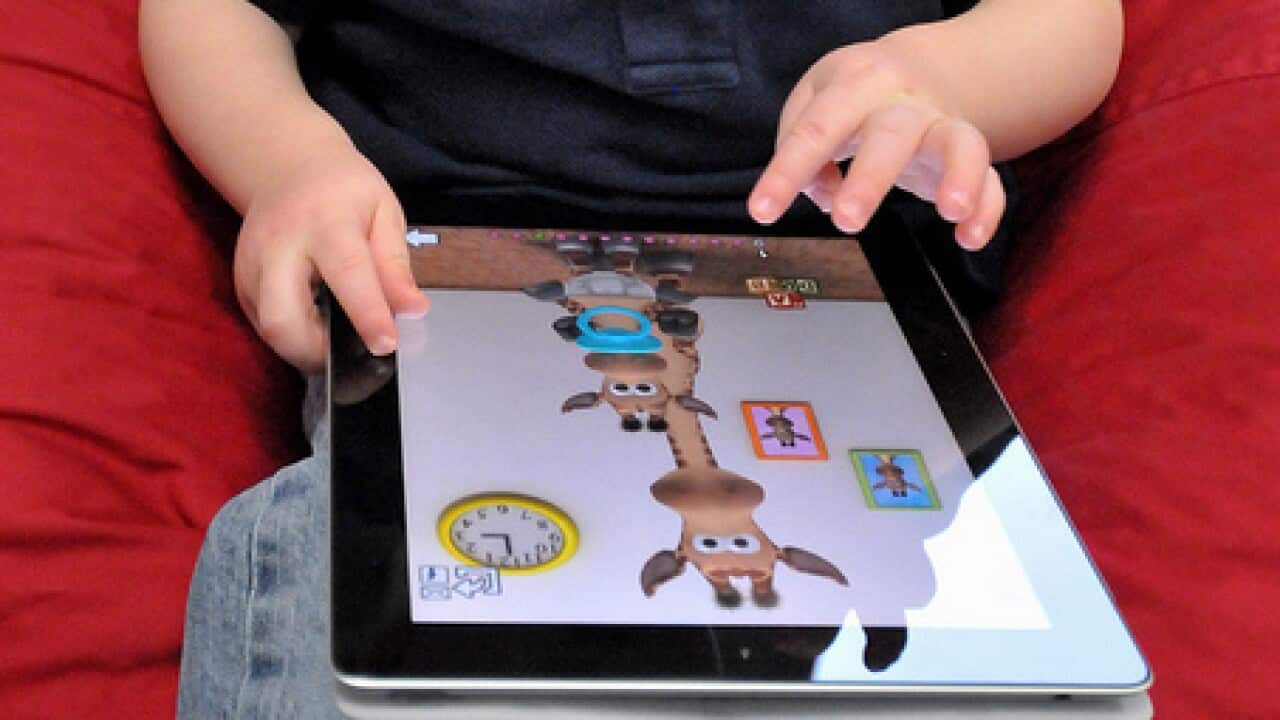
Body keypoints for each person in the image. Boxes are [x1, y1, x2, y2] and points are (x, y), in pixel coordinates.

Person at [138, 1, 1122, 717]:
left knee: (1001, 651)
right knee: (323, 577)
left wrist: (934, 76)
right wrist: (292, 163)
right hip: (451, 280)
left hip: (846, 285)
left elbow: (1065, 17)